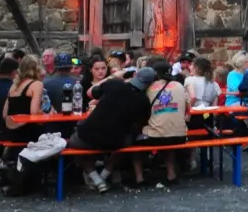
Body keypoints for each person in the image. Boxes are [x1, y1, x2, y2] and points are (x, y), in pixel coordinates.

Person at [67, 71, 153, 192]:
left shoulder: (114, 84)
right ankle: (103, 176)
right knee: (126, 144)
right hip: (116, 140)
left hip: (89, 135)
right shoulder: (144, 101)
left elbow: (90, 93)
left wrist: (114, 76)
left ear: (134, 76)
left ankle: (96, 179)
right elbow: (141, 124)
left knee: (73, 144)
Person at [132, 60, 191, 189]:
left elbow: (141, 112)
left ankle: (139, 178)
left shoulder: (148, 89)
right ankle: (171, 174)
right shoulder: (180, 86)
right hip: (180, 136)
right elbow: (188, 108)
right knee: (167, 137)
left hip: (156, 137)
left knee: (135, 141)